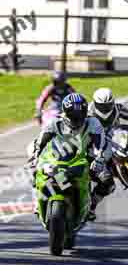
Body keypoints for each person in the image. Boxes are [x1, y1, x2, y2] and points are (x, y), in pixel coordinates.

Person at [29, 93, 113, 223]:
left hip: (87, 157)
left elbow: (100, 144)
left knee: (107, 182)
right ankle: (36, 201)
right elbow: (40, 142)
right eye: (73, 116)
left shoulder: (93, 122)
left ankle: (91, 206)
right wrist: (35, 159)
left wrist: (99, 159)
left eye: (80, 116)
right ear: (65, 113)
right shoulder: (55, 122)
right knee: (33, 171)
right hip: (58, 157)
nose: (77, 120)